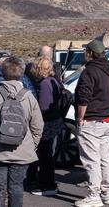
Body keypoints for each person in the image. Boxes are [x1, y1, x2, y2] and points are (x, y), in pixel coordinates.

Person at [0, 57, 43, 207]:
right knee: (16, 188)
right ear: (22, 73)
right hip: (21, 151)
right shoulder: (28, 96)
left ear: (3, 72)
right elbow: (38, 125)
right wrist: (32, 145)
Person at [74, 40, 109, 207]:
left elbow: (83, 98)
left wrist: (80, 118)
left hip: (91, 120)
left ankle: (94, 196)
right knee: (105, 158)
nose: (85, 54)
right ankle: (106, 193)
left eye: (86, 51)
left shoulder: (90, 71)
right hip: (107, 119)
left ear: (90, 53)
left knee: (91, 160)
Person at [29, 57, 64, 196]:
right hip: (54, 121)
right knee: (47, 155)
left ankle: (47, 185)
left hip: (47, 124)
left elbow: (43, 106)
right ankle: (48, 183)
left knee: (45, 156)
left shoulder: (44, 83)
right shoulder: (53, 80)